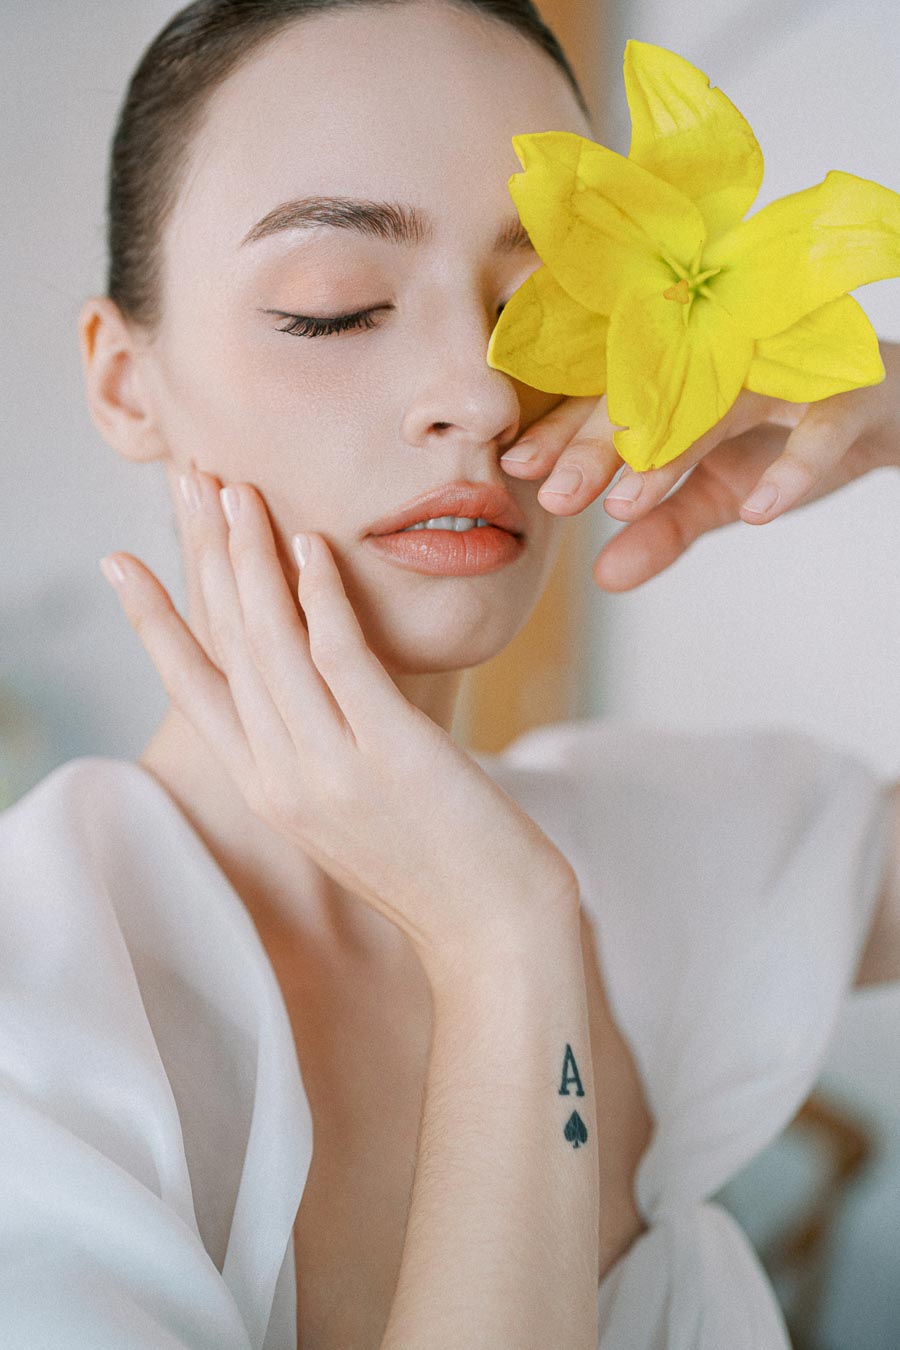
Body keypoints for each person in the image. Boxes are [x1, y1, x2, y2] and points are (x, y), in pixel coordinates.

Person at [2, 1, 899, 1346]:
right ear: (127, 382)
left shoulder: (660, 844)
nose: (478, 394)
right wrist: (501, 942)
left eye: (544, 303)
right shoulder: (37, 1019)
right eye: (336, 309)